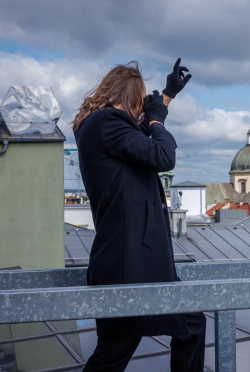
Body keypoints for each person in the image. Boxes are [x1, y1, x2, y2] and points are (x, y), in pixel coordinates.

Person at [72, 59, 206, 372]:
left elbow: (138, 136)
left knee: (189, 324)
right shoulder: (108, 122)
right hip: (129, 262)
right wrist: (158, 121)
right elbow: (161, 155)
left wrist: (168, 96)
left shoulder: (101, 126)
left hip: (134, 261)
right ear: (130, 97)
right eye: (140, 99)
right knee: (113, 353)